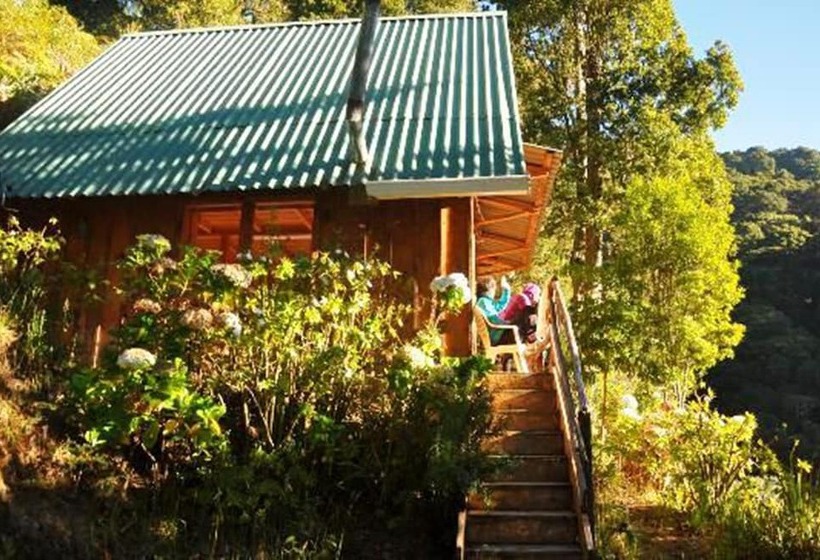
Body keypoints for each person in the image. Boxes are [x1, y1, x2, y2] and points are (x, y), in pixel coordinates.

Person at [476, 276, 514, 344]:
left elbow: (500, 305)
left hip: (496, 334)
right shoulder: (483, 302)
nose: (494, 291)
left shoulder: (485, 301)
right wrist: (508, 323)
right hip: (495, 336)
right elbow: (493, 320)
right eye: (494, 289)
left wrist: (506, 290)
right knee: (520, 324)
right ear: (489, 289)